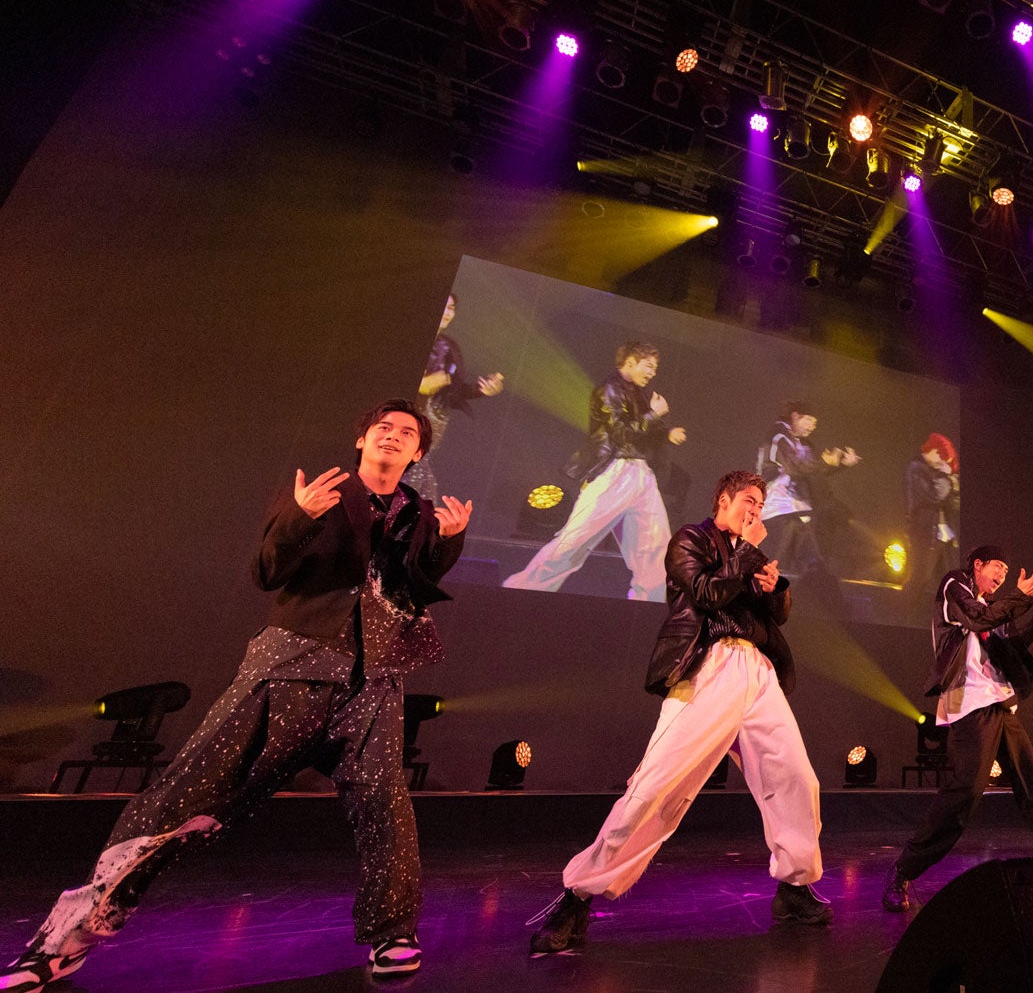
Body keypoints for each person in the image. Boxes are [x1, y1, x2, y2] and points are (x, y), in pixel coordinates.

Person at [0, 400, 473, 990]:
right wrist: (299, 518)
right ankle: (62, 942)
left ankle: (393, 933)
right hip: (290, 668)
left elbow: (414, 586)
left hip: (372, 683)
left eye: (407, 434)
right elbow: (266, 572)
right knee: (183, 797)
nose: (393, 437)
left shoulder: (420, 514)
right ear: (363, 440)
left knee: (387, 811)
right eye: (384, 428)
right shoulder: (320, 491)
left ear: (417, 453)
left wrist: (448, 543)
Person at [529, 470, 831, 955]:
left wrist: (775, 588)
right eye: (748, 501)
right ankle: (578, 895)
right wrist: (749, 555)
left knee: (795, 777)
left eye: (761, 504)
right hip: (709, 667)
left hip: (757, 671)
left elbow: (774, 617)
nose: (756, 511)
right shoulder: (691, 538)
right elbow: (707, 594)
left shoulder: (748, 556)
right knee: (656, 786)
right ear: (723, 500)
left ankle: (794, 889)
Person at [882, 546, 1033, 912]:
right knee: (964, 793)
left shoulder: (994, 609)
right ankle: (903, 869)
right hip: (968, 702)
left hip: (999, 701)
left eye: (1006, 570)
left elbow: (1016, 643)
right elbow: (974, 620)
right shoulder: (956, 584)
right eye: (997, 566)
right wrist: (1020, 596)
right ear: (978, 565)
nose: (1002, 574)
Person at [502, 341, 685, 601]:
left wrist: (667, 433)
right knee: (573, 543)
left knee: (655, 549)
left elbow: (643, 432)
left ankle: (649, 606)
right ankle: (520, 591)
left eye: (655, 368)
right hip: (615, 471)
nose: (653, 372)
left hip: (641, 474)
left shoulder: (637, 394)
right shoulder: (608, 390)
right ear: (630, 362)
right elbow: (621, 433)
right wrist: (654, 415)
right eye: (649, 366)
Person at [410, 292, 504, 502]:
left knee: (419, 487)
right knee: (413, 488)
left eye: (452, 308)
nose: (448, 313)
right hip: (405, 424)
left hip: (432, 427)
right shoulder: (407, 337)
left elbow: (455, 389)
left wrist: (482, 390)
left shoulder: (449, 346)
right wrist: (422, 385)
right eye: (445, 306)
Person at [756, 401, 858, 576]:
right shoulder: (779, 436)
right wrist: (825, 462)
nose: (812, 426)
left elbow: (813, 470)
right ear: (795, 416)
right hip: (777, 507)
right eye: (809, 420)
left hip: (796, 508)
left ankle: (803, 587)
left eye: (815, 423)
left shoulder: (801, 442)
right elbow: (795, 468)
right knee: (779, 562)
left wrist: (840, 465)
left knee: (804, 562)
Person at [904, 433, 960, 601]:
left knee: (944, 583)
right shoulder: (917, 469)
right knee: (919, 579)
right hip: (924, 532)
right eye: (942, 458)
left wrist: (954, 485)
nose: (942, 464)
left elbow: (954, 506)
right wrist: (946, 478)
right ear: (934, 450)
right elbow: (935, 495)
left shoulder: (936, 473)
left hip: (942, 534)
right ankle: (902, 612)